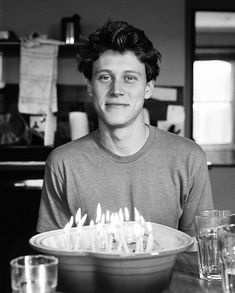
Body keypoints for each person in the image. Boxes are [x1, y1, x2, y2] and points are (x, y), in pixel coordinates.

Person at [36, 20, 214, 237]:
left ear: (148, 88)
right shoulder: (62, 163)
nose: (116, 89)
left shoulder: (189, 158)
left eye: (129, 78)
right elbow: (54, 255)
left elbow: (199, 254)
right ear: (90, 87)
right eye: (104, 77)